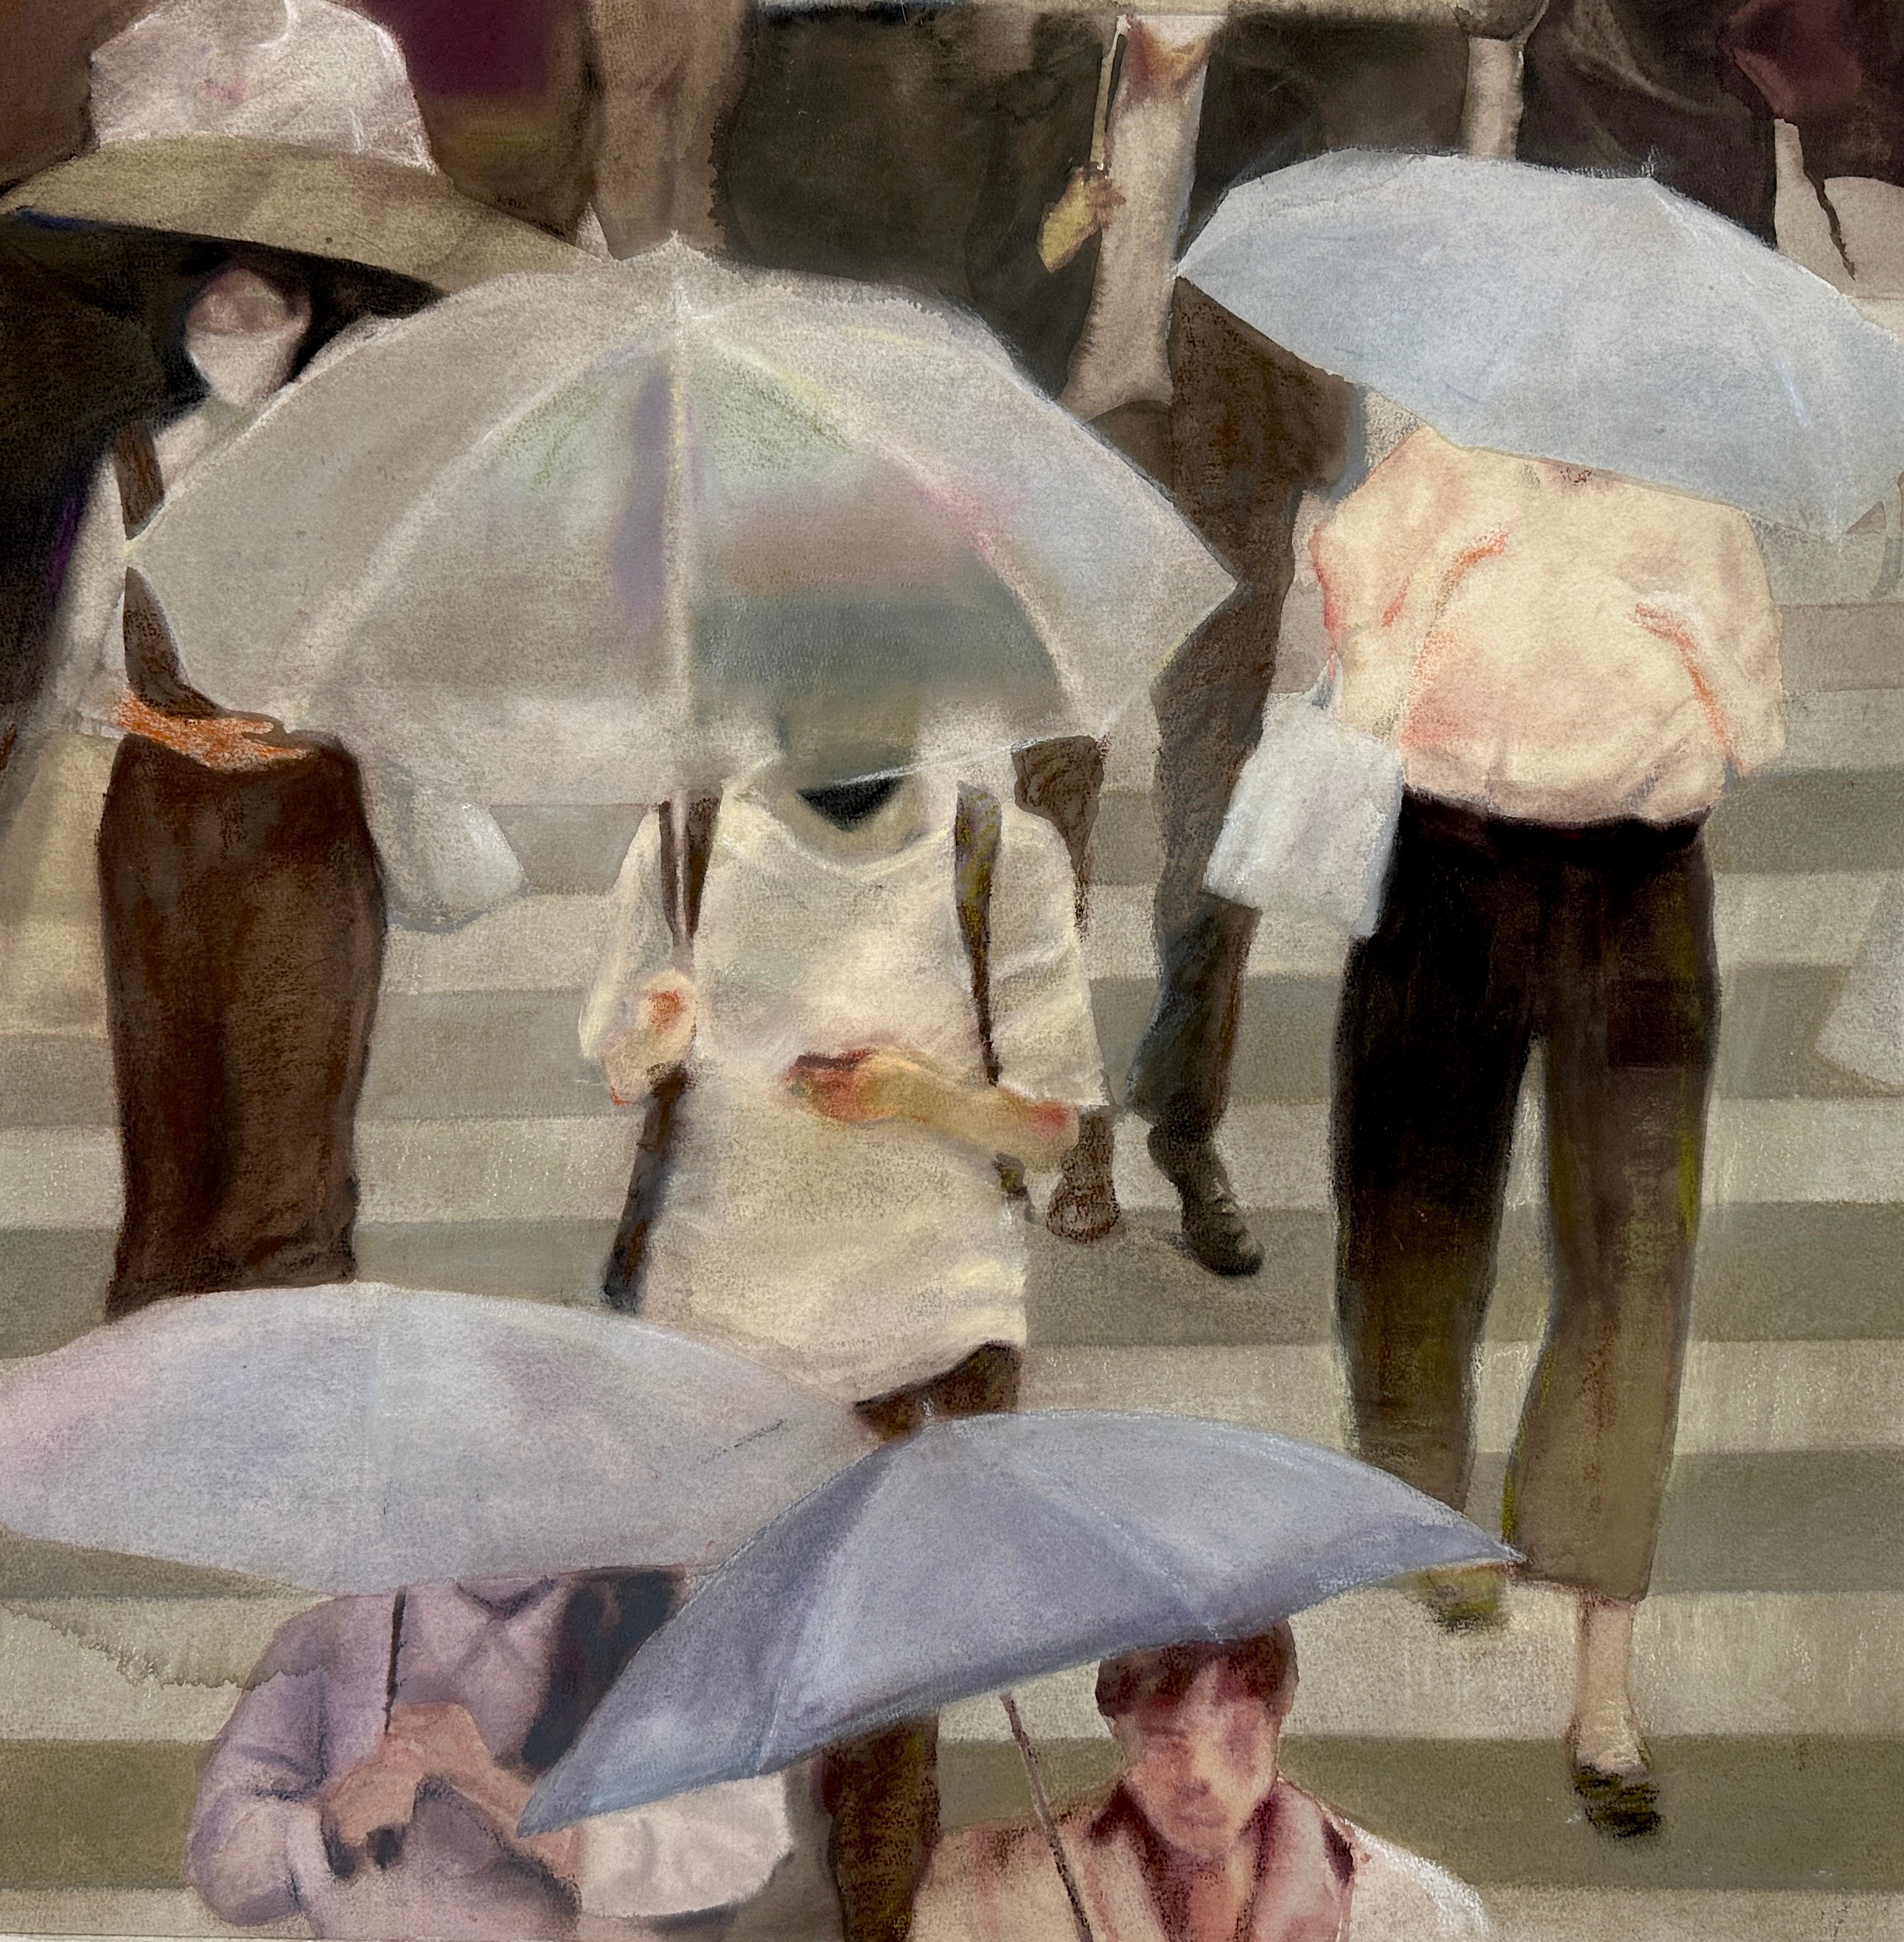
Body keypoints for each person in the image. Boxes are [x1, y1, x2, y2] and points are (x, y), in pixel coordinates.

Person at [1, 0, 576, 1315]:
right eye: (220, 308)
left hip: (306, 815)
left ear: (310, 319)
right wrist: (171, 728)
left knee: (292, 1101)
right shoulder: (137, 463)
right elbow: (88, 669)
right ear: (185, 319)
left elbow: (403, 641)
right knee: (169, 1098)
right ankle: (159, 1330)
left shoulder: (354, 469)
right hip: (163, 814)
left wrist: (321, 709)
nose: (241, 327)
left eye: (269, 307)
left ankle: (288, 1330)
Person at [1312, 427, 1785, 1834]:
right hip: (1444, 869)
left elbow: (1757, 734)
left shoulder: (1703, 511)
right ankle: (1420, 1491)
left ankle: (1603, 1683)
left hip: (1638, 893)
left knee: (1635, 1258)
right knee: (1406, 1210)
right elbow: (1352, 701)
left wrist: (1698, 642)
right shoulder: (1433, 470)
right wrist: (1417, 611)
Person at [581, 690, 1105, 1942]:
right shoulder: (688, 841)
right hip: (723, 1329)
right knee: (723, 1702)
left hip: (928, 1338)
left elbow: (1052, 1125)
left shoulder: (997, 853)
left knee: (884, 1727)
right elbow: (615, 1058)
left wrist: (921, 1096)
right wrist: (655, 1035)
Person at [189, 1572, 795, 1941]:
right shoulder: (335, 1635)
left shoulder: (656, 1623)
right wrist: (332, 1827)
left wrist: (486, 1782)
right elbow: (222, 1866)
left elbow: (738, 1846)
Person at [913, 1626, 1488, 1942]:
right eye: (1164, 1739)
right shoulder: (988, 1899)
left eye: (1235, 1739)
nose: (1199, 1777)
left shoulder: (1414, 1913)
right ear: (1117, 1726)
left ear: (1279, 1712)